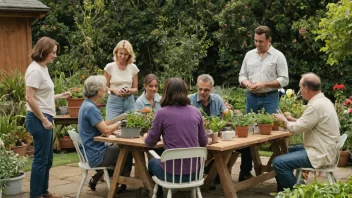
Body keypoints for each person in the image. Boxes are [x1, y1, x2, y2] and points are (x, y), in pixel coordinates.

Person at [237, 25, 289, 182]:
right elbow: (241, 75)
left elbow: (284, 80)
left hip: (270, 97)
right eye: (255, 41)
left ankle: (280, 174)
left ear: (269, 40)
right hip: (251, 97)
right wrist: (247, 83)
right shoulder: (249, 55)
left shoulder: (278, 56)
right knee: (245, 133)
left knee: (274, 136)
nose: (257, 44)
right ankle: (244, 172)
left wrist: (264, 84)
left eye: (261, 41)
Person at [273, 73, 340, 192]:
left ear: (306, 88)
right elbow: (310, 123)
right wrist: (293, 120)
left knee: (279, 162)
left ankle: (295, 193)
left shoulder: (315, 105)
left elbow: (295, 129)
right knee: (290, 151)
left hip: (321, 153)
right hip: (326, 148)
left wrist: (283, 120)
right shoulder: (324, 101)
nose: (299, 90)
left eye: (300, 87)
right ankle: (284, 190)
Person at [144, 78, 208, 197]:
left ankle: (158, 194)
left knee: (152, 162)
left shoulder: (162, 113)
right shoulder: (196, 112)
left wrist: (146, 135)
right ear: (185, 92)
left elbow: (150, 143)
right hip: (195, 173)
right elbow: (204, 142)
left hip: (171, 175)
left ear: (166, 93)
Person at [25, 37, 71, 198]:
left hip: (44, 116)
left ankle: (43, 191)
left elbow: (41, 96)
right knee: (40, 159)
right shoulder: (35, 70)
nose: (55, 55)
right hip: (38, 119)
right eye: (53, 52)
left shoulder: (42, 68)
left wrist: (59, 96)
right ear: (44, 51)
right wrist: (44, 120)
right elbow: (29, 98)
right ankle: (36, 194)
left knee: (48, 159)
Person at [78, 75, 133, 193]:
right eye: (104, 88)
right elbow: (106, 130)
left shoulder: (86, 104)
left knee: (118, 149)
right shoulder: (91, 108)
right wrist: (121, 122)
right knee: (127, 149)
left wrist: (118, 118)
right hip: (96, 155)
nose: (106, 89)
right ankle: (121, 183)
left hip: (89, 152)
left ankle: (97, 179)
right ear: (98, 91)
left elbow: (102, 124)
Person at [104, 40, 139, 120]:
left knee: (130, 128)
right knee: (111, 127)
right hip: (114, 101)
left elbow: (135, 89)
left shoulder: (133, 67)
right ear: (116, 52)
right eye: (121, 53)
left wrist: (128, 90)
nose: (123, 56)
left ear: (129, 55)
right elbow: (104, 87)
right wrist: (113, 90)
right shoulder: (109, 67)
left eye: (125, 54)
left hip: (129, 101)